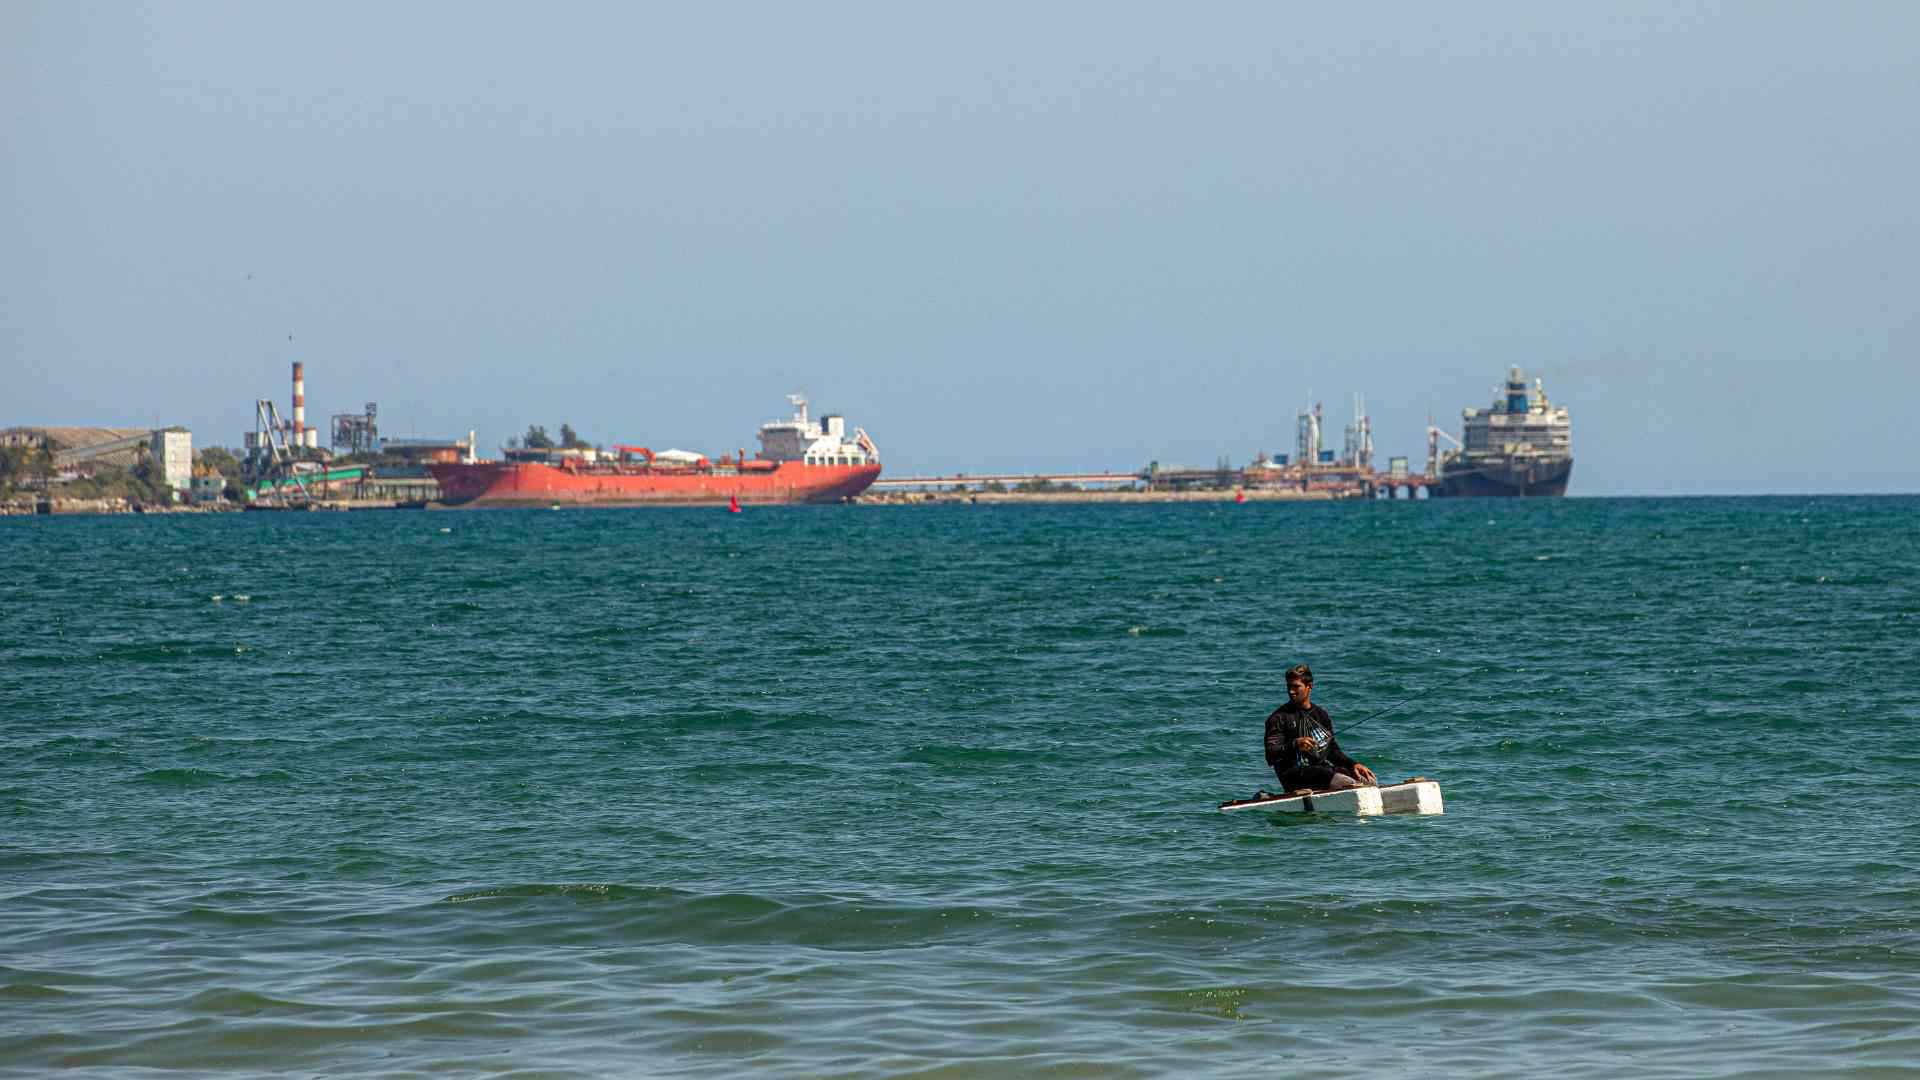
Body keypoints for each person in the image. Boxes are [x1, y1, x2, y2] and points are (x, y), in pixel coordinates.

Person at [1263, 664, 1377, 792]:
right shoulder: (1278, 718)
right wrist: (1295, 744)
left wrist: (1353, 764)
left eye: (1296, 687)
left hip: (1322, 770)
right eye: (1289, 687)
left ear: (1309, 686)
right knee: (1347, 783)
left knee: (1368, 781)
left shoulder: (1321, 715)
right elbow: (1271, 754)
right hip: (1294, 775)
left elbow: (1333, 752)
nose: (1291, 691)